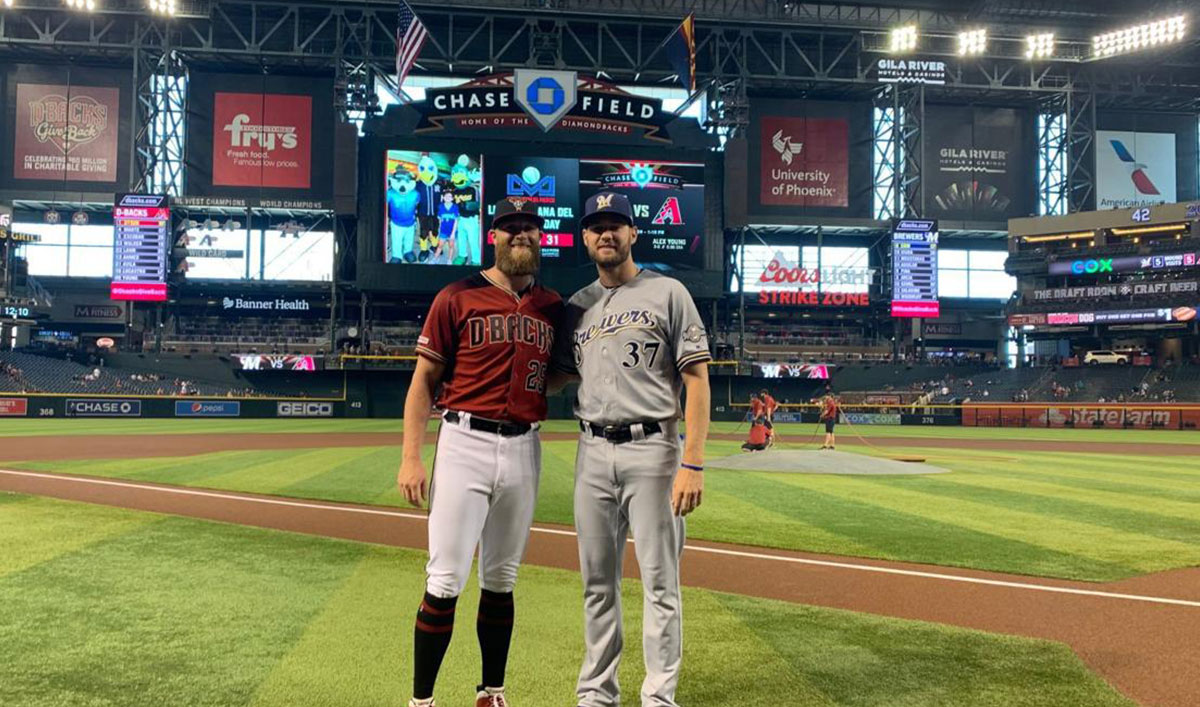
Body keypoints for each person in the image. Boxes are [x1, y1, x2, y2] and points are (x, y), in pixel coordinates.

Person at [396, 196, 564, 707]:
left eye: (530, 228)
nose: (521, 236)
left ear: (541, 238)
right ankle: (421, 701)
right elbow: (424, 380)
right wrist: (410, 455)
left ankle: (491, 692)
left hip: (524, 446)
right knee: (445, 577)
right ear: (492, 236)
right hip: (464, 440)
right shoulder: (457, 296)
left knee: (502, 579)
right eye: (510, 228)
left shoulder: (553, 306)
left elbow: (558, 374)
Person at [550, 192, 711, 707]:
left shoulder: (668, 292)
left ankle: (658, 697)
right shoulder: (577, 306)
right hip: (591, 453)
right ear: (585, 238)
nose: (606, 234)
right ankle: (597, 693)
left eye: (616, 224)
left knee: (661, 584)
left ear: (633, 233)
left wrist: (693, 462)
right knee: (598, 584)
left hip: (655, 451)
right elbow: (555, 378)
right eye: (596, 226)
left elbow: (698, 381)